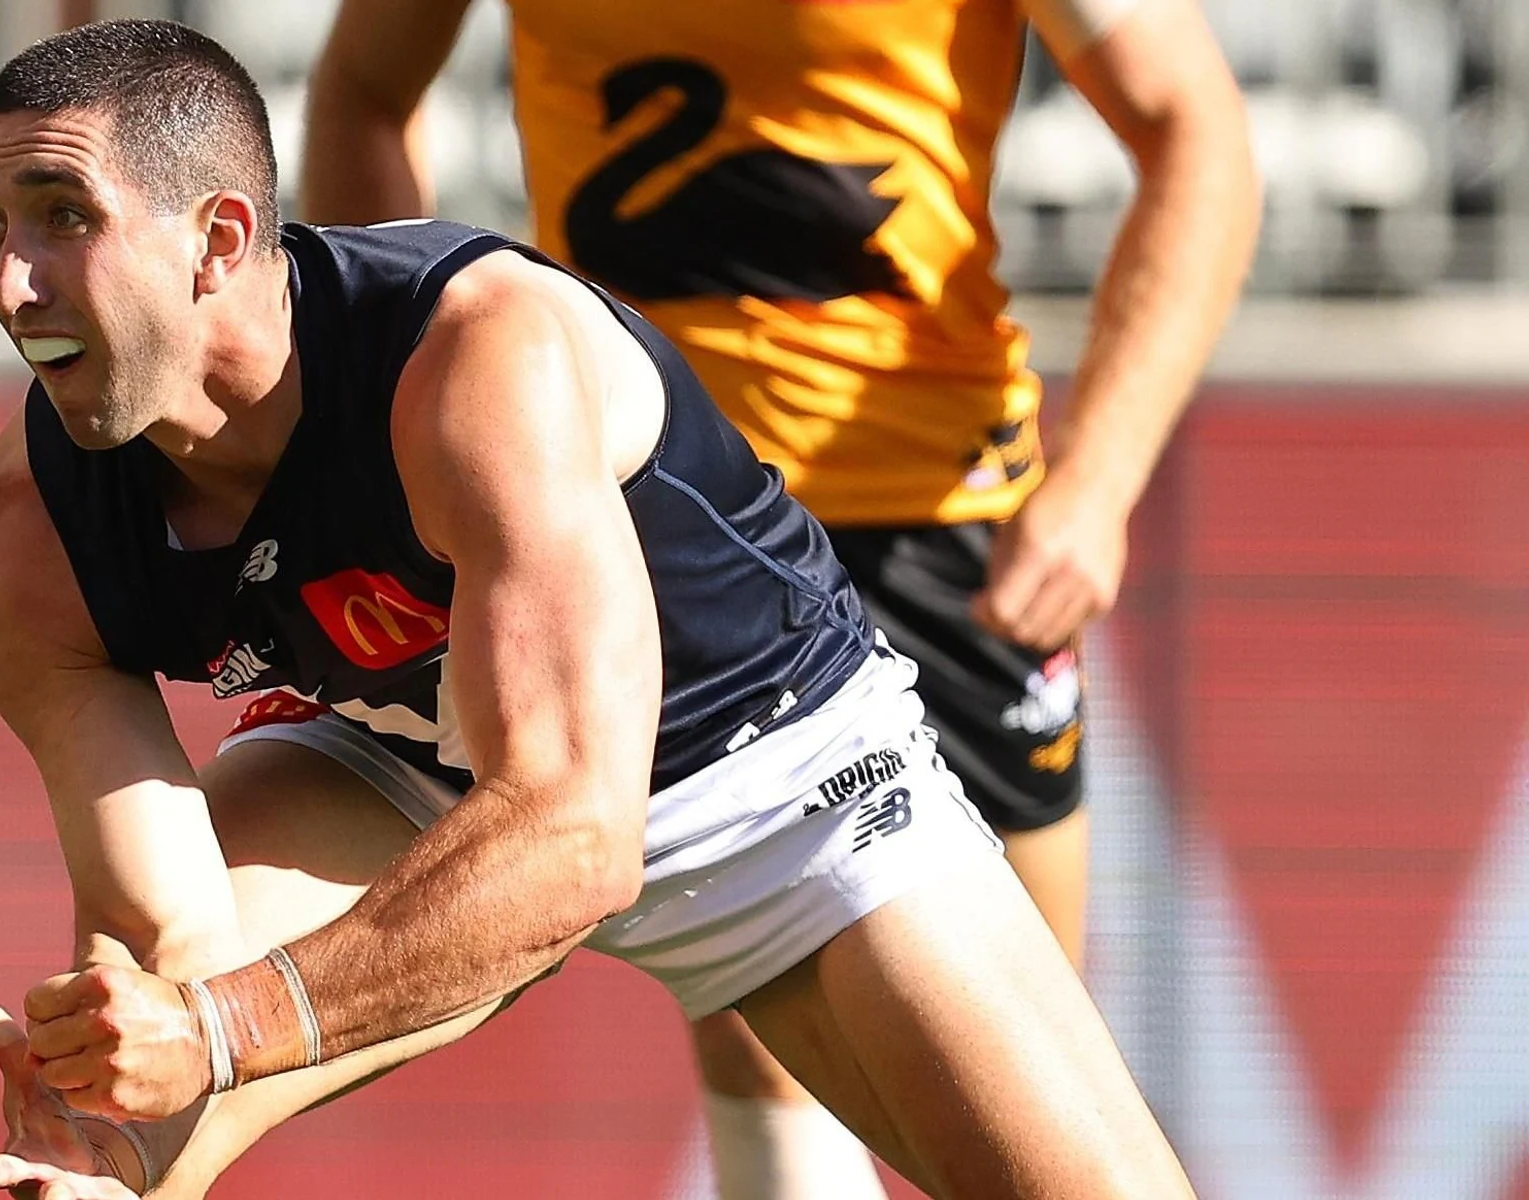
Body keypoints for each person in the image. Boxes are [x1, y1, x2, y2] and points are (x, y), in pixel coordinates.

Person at [0, 19, 1199, 1200]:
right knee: (123, 1105)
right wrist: (106, 1139)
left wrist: (221, 1028)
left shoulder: (473, 354)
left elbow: (573, 840)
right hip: (403, 765)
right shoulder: (20, 536)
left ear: (219, 241)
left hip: (769, 781)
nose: (9, 285)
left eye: (64, 218)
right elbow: (159, 938)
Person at [301, 0, 1257, 1192]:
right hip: (659, 512)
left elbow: (1193, 129)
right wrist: (394, 427)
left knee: (1028, 1093)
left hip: (938, 515)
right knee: (767, 1047)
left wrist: (1097, 483)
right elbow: (362, 92)